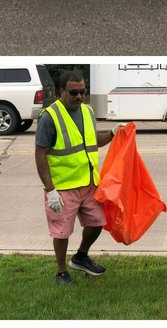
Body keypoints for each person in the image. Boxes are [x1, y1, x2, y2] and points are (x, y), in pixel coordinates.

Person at [34, 71, 126, 285]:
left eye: (83, 91)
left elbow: (92, 141)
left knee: (98, 222)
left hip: (89, 183)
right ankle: (61, 272)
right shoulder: (50, 117)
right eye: (74, 92)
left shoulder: (87, 111)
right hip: (62, 187)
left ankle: (81, 257)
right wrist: (50, 190)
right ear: (61, 92)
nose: (79, 96)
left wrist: (113, 133)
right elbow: (40, 154)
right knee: (62, 231)